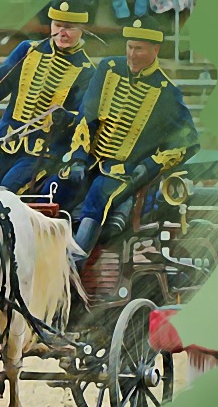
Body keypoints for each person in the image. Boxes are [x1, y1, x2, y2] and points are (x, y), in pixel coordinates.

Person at [63, 20, 199, 263]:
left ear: (155, 50)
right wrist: (78, 159)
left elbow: (189, 141)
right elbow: (87, 116)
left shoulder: (167, 91)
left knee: (97, 195)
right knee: (55, 187)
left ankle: (73, 267)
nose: (132, 55)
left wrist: (150, 166)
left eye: (139, 49)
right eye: (129, 47)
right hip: (91, 159)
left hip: (124, 172)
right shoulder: (108, 68)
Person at [0, 0, 95, 193]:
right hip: (5, 143)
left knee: (5, 194)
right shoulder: (28, 49)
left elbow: (83, 119)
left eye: (69, 27)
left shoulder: (87, 70)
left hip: (41, 154)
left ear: (82, 29)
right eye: (58, 25)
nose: (62, 33)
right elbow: (2, 76)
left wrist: (65, 118)